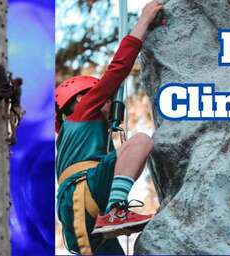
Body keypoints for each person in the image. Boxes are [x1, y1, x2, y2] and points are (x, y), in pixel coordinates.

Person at [55, 0, 161, 254]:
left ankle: (112, 212)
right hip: (84, 192)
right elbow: (117, 70)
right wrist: (143, 21)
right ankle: (116, 210)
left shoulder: (78, 134)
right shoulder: (82, 111)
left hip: (80, 208)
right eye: (100, 95)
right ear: (81, 98)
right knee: (140, 142)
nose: (109, 99)